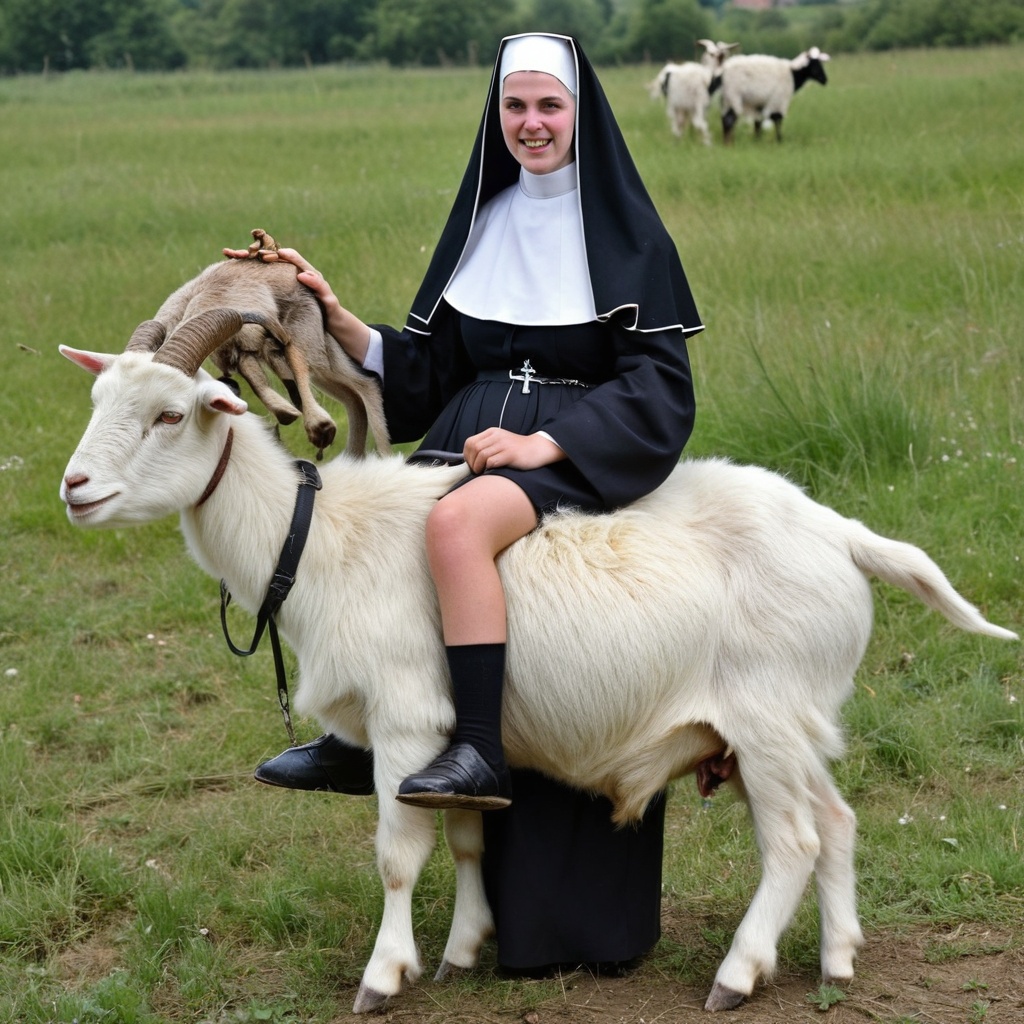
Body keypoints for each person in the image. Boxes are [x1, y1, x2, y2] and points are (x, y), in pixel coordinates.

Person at [241, 32, 703, 969]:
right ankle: (361, 734)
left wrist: (545, 443)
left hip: (571, 455)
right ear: (498, 116)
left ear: (580, 115)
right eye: (515, 107)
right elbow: (428, 374)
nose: (532, 124)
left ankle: (479, 750)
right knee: (376, 550)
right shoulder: (483, 223)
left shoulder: (628, 237)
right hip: (463, 439)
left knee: (458, 537)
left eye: (550, 106)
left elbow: (661, 388)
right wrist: (337, 319)